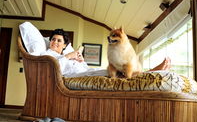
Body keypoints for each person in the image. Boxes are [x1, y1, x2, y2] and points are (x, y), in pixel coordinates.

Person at [41, 28, 171, 78]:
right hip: (76, 75)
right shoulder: (48, 55)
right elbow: (52, 68)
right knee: (117, 73)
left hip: (85, 71)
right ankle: (152, 73)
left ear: (64, 45)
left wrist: (80, 61)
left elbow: (82, 67)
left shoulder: (63, 55)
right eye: (53, 39)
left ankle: (151, 73)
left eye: (59, 40)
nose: (55, 42)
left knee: (122, 69)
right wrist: (69, 56)